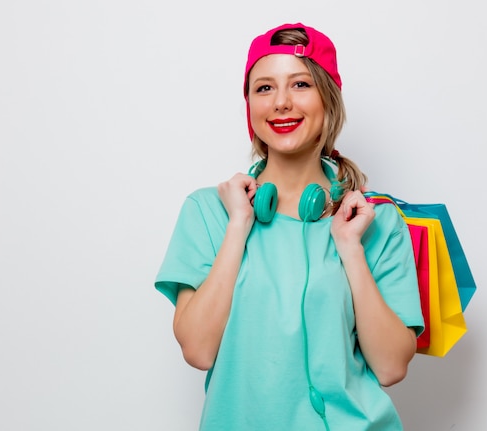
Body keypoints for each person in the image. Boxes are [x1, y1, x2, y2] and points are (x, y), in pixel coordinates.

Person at [155, 22, 424, 431]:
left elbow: (390, 368)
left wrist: (350, 248)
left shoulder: (376, 221)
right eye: (264, 88)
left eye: (300, 84)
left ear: (328, 100)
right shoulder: (209, 212)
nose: (281, 102)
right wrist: (239, 226)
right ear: (249, 105)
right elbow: (198, 350)